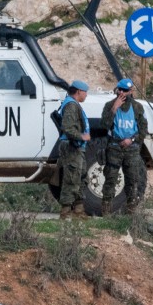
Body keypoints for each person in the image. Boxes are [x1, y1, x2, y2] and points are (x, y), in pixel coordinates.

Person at [100, 78, 148, 214]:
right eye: (119, 90)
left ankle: (130, 211)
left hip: (131, 148)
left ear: (131, 91)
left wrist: (132, 139)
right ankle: (106, 212)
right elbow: (104, 125)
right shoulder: (109, 105)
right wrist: (114, 109)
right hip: (114, 146)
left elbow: (143, 130)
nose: (122, 93)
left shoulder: (138, 107)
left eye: (125, 91)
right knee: (110, 179)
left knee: (132, 179)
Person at [57, 79, 91, 220]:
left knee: (80, 177)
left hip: (77, 147)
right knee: (71, 179)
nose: (86, 95)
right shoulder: (71, 105)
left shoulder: (73, 104)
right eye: (85, 92)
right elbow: (68, 128)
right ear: (78, 92)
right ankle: (65, 213)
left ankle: (78, 210)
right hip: (72, 146)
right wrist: (82, 137)